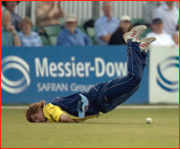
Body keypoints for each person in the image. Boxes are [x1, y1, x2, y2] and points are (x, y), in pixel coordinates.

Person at [25, 25, 156, 123]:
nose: (38, 122)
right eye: (35, 121)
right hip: (102, 105)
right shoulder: (51, 114)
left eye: (36, 118)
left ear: (39, 110)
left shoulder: (48, 110)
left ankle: (131, 41)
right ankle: (141, 51)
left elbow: (64, 118)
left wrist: (72, 124)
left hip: (99, 96)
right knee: (135, 85)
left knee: (133, 79)